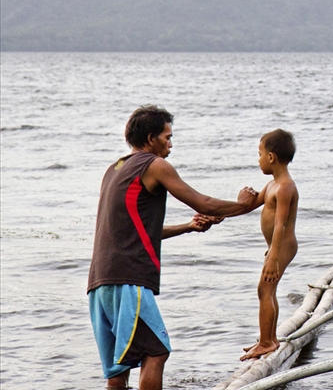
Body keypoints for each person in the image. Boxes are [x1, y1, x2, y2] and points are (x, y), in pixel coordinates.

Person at [88, 105, 259, 390]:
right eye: (167, 137)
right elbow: (202, 202)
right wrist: (243, 205)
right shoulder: (153, 165)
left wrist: (189, 227)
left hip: (99, 281)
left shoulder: (115, 169)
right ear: (151, 137)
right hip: (128, 279)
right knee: (156, 351)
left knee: (117, 370)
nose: (170, 143)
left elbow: (134, 232)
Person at [240, 129, 299, 361]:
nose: (259, 160)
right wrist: (239, 200)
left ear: (271, 157)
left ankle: (266, 342)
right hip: (275, 247)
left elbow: (280, 225)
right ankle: (270, 339)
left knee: (264, 290)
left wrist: (273, 256)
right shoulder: (272, 185)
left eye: (260, 154)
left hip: (282, 246)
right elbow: (248, 206)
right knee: (268, 290)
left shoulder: (285, 187)